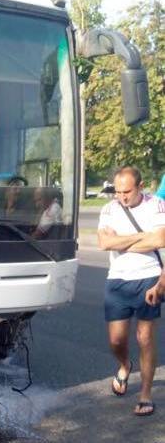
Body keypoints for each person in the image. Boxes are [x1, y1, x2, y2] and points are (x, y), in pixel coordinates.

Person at [97, 165, 165, 416]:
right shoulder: (109, 209)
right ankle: (125, 365)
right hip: (118, 280)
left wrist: (122, 242)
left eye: (127, 191)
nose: (122, 196)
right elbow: (104, 243)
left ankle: (146, 394)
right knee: (116, 340)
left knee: (145, 338)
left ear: (141, 186)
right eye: (118, 191)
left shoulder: (156, 206)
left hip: (148, 277)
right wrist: (144, 238)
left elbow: (161, 240)